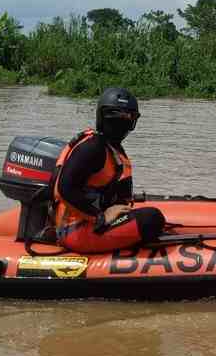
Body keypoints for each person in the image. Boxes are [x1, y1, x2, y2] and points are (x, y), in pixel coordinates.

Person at [52, 87, 165, 253]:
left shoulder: (112, 149)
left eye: (127, 117)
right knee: (152, 219)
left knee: (150, 218)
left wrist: (114, 211)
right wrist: (100, 216)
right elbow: (64, 189)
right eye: (116, 116)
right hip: (76, 231)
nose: (121, 122)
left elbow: (120, 196)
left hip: (88, 224)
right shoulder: (93, 148)